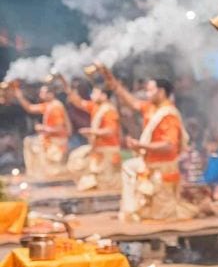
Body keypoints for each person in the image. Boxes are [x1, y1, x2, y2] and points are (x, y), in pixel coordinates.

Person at [101, 70, 201, 222]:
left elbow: (169, 146)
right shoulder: (152, 108)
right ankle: (129, 208)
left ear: (161, 92)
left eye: (150, 90)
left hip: (163, 167)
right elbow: (133, 103)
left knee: (163, 215)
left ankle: (196, 209)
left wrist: (141, 146)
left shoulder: (169, 114)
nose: (146, 94)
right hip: (149, 164)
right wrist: (115, 86)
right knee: (129, 167)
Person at [62, 77, 121, 191]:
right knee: (76, 159)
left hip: (108, 150)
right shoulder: (95, 107)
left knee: (106, 183)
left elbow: (111, 131)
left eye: (95, 93)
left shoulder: (109, 110)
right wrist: (66, 85)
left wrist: (92, 132)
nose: (92, 95)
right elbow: (77, 101)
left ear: (103, 96)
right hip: (96, 149)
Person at [13, 82, 70, 178]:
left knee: (32, 143)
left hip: (57, 142)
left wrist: (43, 128)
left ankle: (39, 173)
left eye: (43, 92)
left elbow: (60, 129)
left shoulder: (55, 107)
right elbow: (30, 108)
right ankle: (34, 173)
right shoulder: (48, 105)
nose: (40, 95)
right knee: (28, 141)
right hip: (49, 139)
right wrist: (19, 96)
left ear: (51, 94)